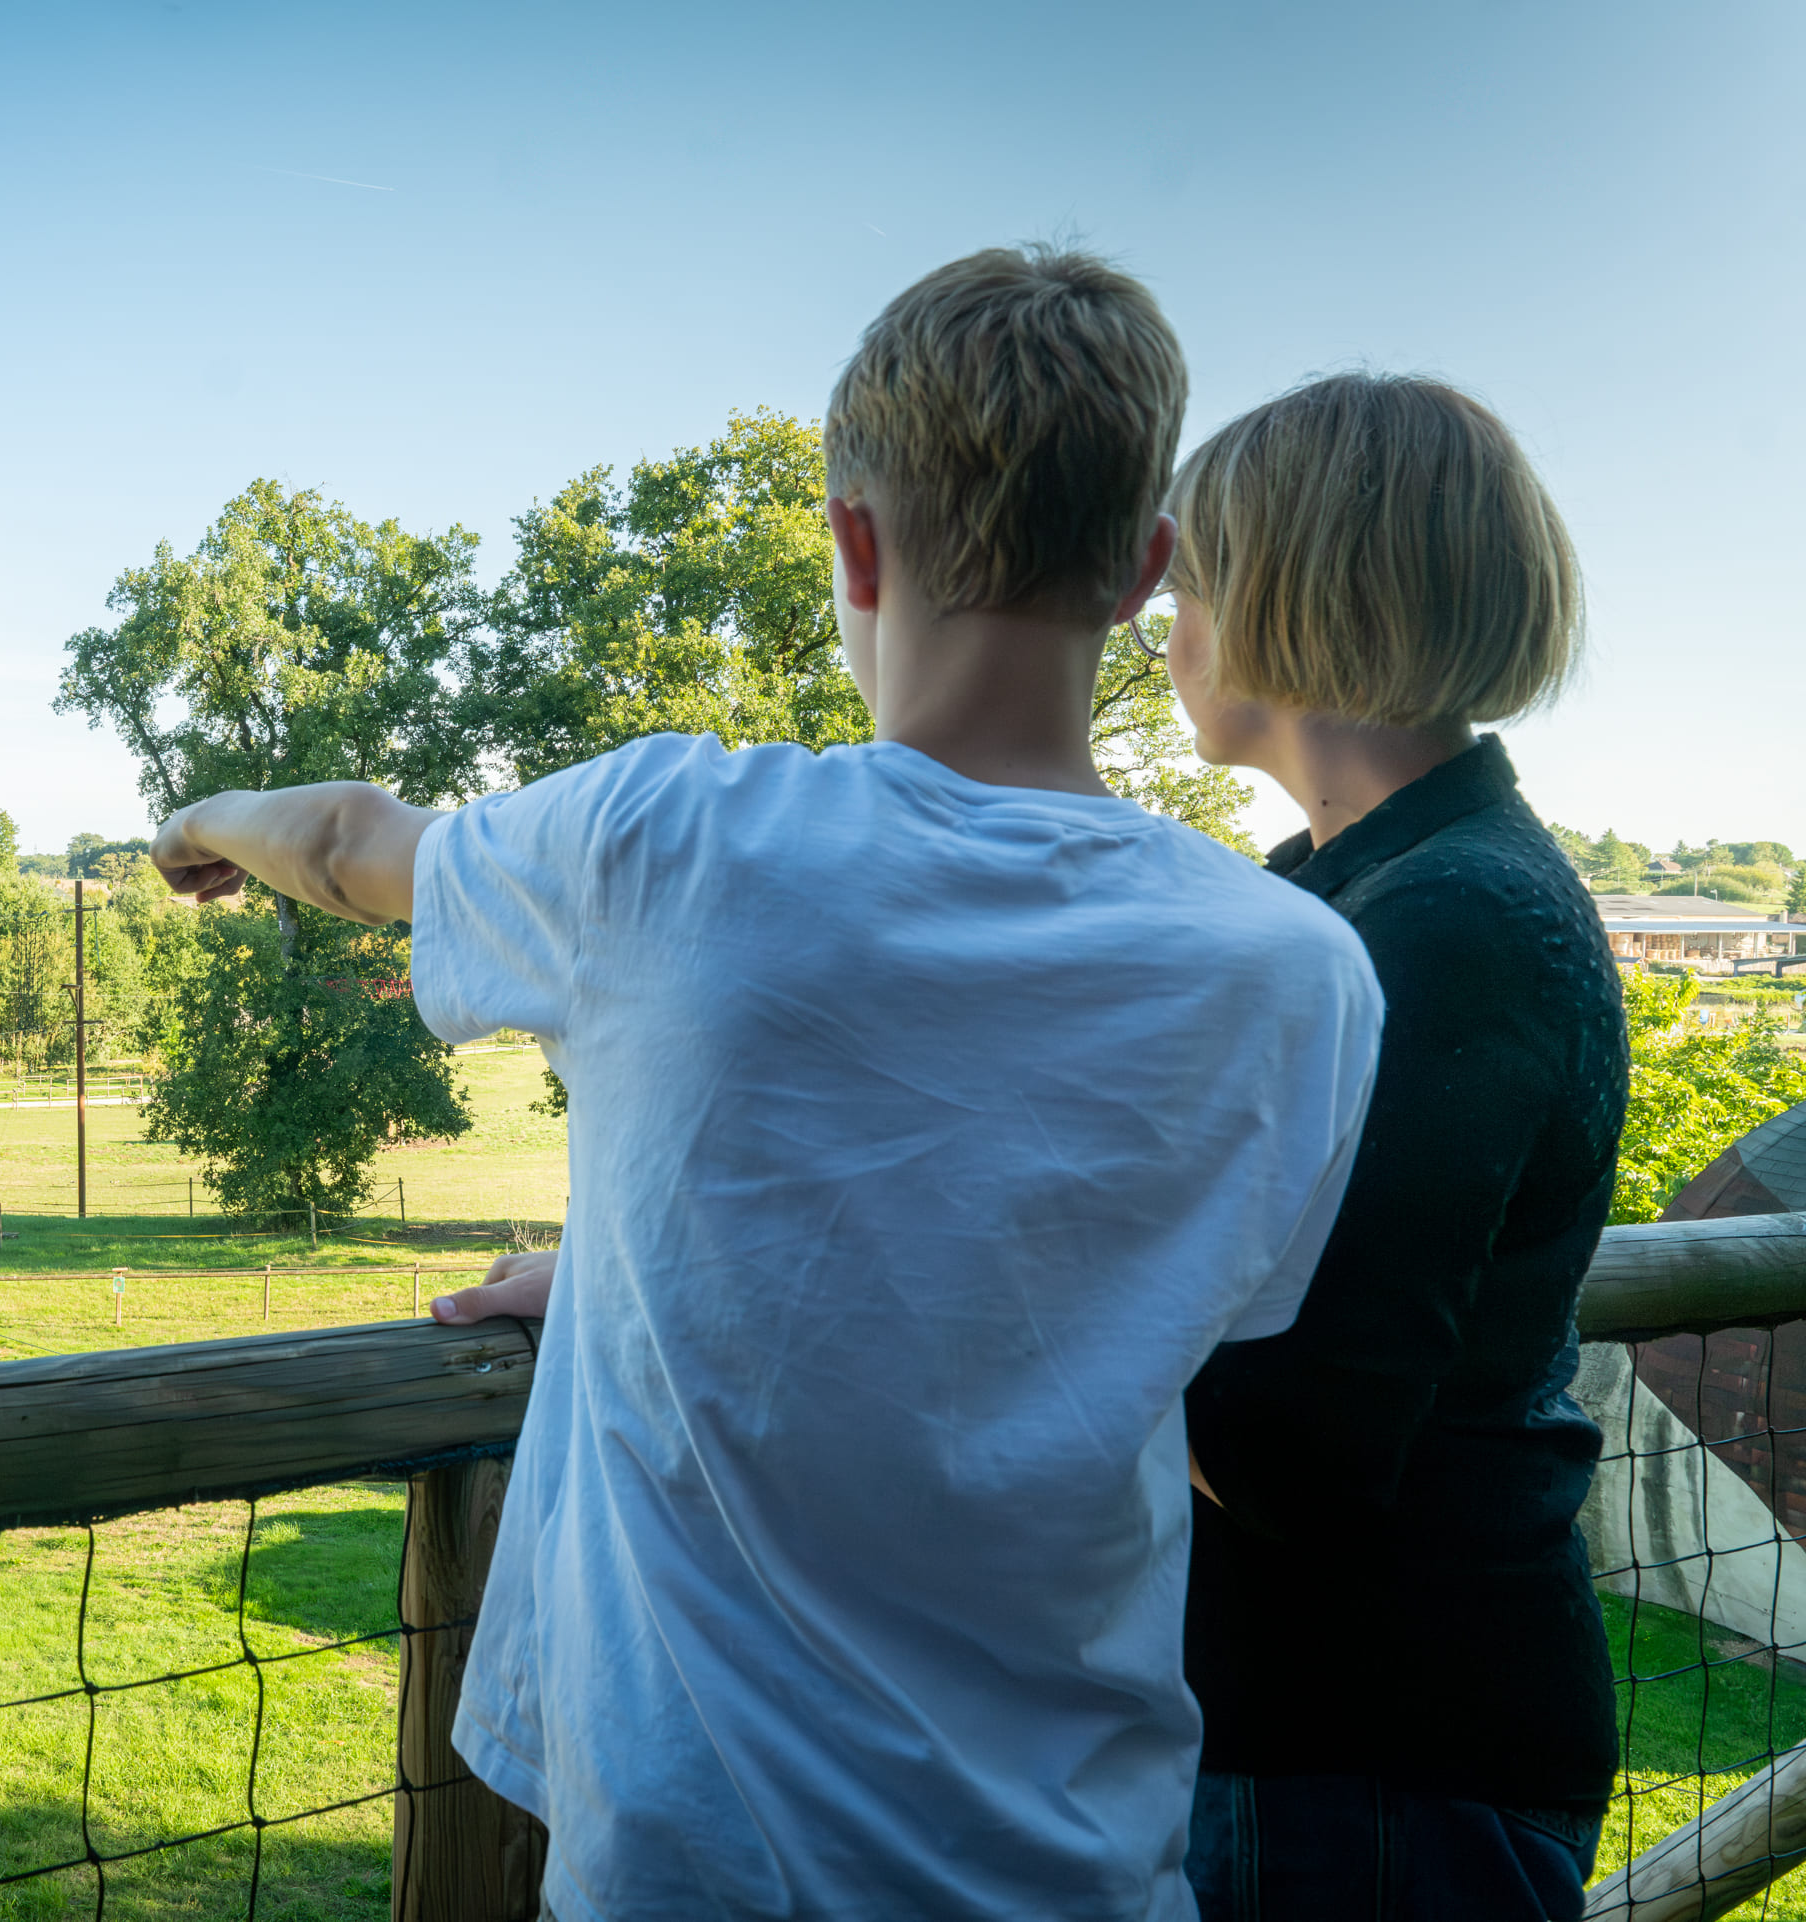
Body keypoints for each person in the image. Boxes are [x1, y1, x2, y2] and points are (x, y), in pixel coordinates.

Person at [152, 245, 1383, 1920]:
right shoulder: (1293, 969)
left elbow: (356, 842)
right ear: (1144, 567)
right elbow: (1080, 1305)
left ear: (854, 543)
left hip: (697, 1873)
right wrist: (631, 1280)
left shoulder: (666, 844)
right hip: (1085, 1872)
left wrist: (204, 816)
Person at [1165, 375, 1624, 1919]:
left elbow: (1287, 1448)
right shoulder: (1357, 891)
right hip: (1335, 1750)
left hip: (1374, 1767)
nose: (1167, 613)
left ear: (1292, 594)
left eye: (1195, 571)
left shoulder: (1451, 921)